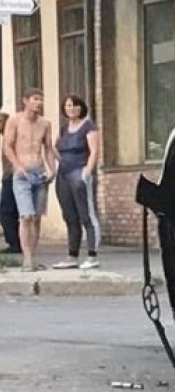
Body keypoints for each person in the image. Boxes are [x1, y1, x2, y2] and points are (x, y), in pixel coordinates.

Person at [3, 89, 56, 271]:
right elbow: (7, 147)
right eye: (35, 99)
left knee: (36, 218)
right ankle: (26, 258)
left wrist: (52, 169)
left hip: (39, 172)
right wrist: (18, 166)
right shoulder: (15, 121)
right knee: (26, 216)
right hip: (22, 173)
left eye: (41, 99)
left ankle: (32, 256)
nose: (38, 103)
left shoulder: (45, 124)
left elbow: (48, 148)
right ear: (25, 101)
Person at [52, 95, 101, 270]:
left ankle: (92, 255)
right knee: (70, 216)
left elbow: (94, 151)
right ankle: (72, 256)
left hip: (79, 172)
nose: (71, 108)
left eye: (74, 105)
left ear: (81, 108)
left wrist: (86, 172)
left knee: (86, 214)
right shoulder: (64, 128)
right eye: (68, 105)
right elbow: (55, 148)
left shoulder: (88, 126)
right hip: (63, 174)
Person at [0, 112, 22, 254]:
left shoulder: (13, 138)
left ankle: (15, 243)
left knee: (7, 211)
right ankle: (15, 242)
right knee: (10, 212)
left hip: (13, 177)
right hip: (9, 177)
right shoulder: (6, 138)